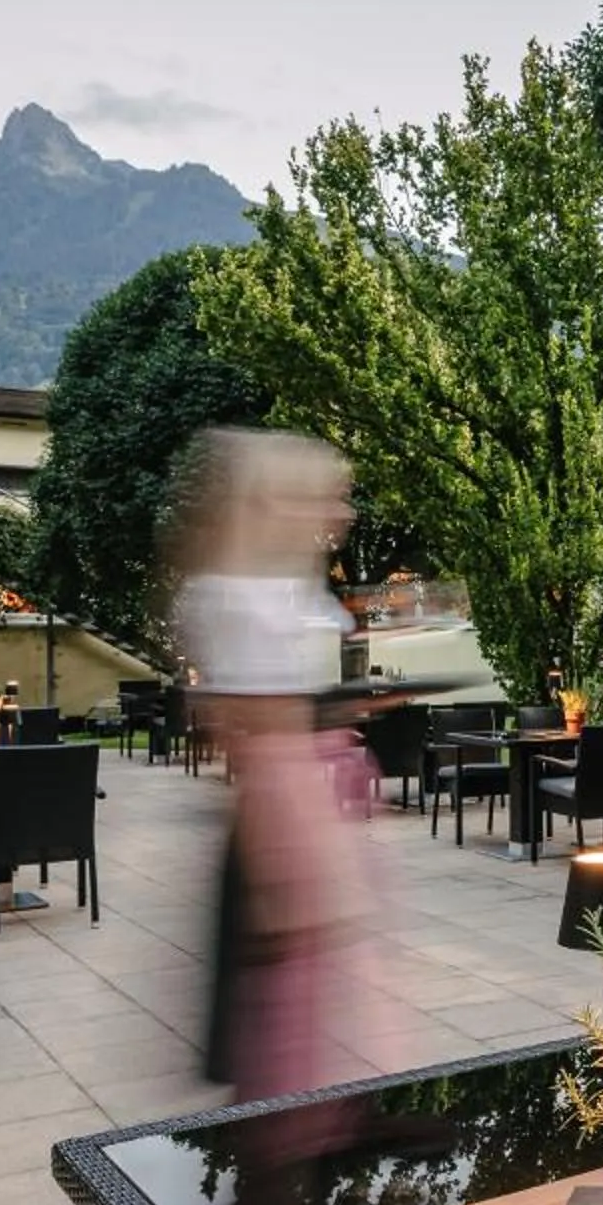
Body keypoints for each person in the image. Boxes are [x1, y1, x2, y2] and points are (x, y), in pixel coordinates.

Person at [181, 429, 401, 1099]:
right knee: (285, 1035)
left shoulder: (267, 592)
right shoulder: (253, 603)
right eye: (332, 498)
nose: (345, 513)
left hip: (299, 811)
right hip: (288, 824)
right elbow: (264, 743)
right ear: (284, 503)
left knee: (294, 1031)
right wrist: (311, 878)